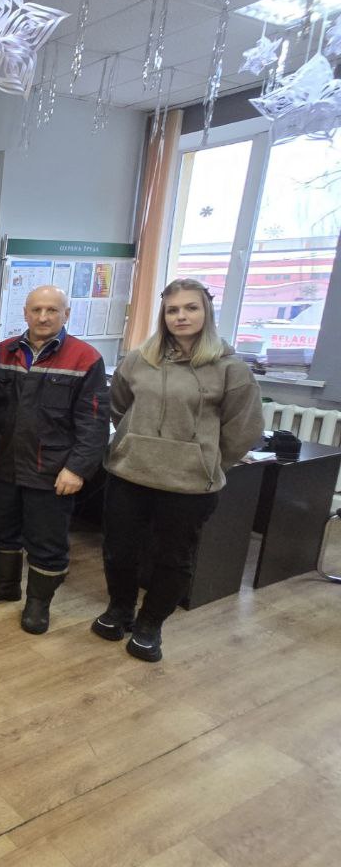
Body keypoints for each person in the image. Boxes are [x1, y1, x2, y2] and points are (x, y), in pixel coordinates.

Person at [93, 278, 263, 662]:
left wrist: (206, 459)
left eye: (191, 308)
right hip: (130, 473)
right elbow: (119, 406)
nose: (181, 316)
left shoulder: (230, 369)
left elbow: (243, 428)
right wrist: (135, 439)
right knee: (120, 550)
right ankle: (119, 610)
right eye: (173, 310)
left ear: (207, 312)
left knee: (173, 558)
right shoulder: (140, 359)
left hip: (188, 483)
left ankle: (150, 624)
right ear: (163, 315)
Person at [0, 285, 109, 634]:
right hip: (2, 462)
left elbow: (94, 422)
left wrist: (77, 468)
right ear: (25, 313)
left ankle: (38, 603)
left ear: (66, 314)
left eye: (52, 310)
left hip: (52, 470)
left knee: (47, 542)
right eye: (36, 310)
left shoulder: (85, 358)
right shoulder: (2, 351)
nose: (43, 317)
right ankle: (5, 586)